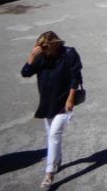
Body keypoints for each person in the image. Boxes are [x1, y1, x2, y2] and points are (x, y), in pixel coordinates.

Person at [21, 31, 82, 189]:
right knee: (51, 135)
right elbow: (25, 73)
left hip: (63, 101)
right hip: (48, 102)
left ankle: (49, 174)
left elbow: (76, 77)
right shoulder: (41, 57)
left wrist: (70, 99)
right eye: (41, 48)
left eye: (46, 47)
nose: (44, 50)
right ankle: (57, 160)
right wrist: (32, 57)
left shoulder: (69, 53)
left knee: (54, 135)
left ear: (54, 44)